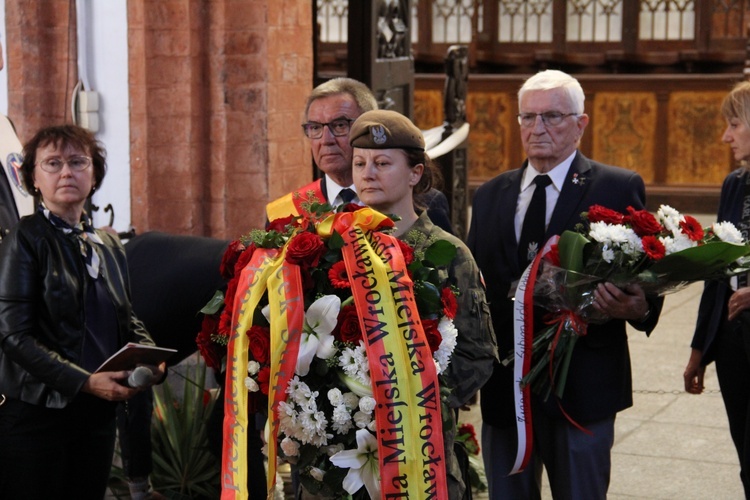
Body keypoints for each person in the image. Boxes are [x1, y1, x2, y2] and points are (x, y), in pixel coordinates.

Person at [467, 69, 662, 499]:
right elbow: (475, 289)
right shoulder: (489, 195)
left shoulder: (615, 187)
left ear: (581, 123)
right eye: (527, 117)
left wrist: (637, 308)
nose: (537, 129)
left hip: (583, 389)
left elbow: (645, 281)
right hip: (507, 393)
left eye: (552, 116)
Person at [0, 124, 165, 499]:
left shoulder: (106, 243)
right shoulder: (25, 239)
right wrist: (84, 381)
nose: (66, 172)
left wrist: (150, 354)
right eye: (52, 163)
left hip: (96, 413)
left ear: (93, 175)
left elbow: (126, 315)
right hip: (38, 414)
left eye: (77, 162)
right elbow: (13, 336)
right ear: (33, 179)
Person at [349, 109, 498, 499]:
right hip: (346, 451)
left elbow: (478, 353)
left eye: (383, 163)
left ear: (415, 174)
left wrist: (419, 401)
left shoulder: (448, 253)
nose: (368, 173)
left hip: (421, 454)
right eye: (360, 163)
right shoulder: (337, 246)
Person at [265, 77, 453, 234]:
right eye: (315, 128)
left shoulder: (425, 204)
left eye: (339, 125)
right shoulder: (287, 214)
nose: (325, 139)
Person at [683, 80, 750, 497]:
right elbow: (717, 273)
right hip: (731, 335)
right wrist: (698, 351)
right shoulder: (734, 184)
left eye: (735, 124)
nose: (726, 135)